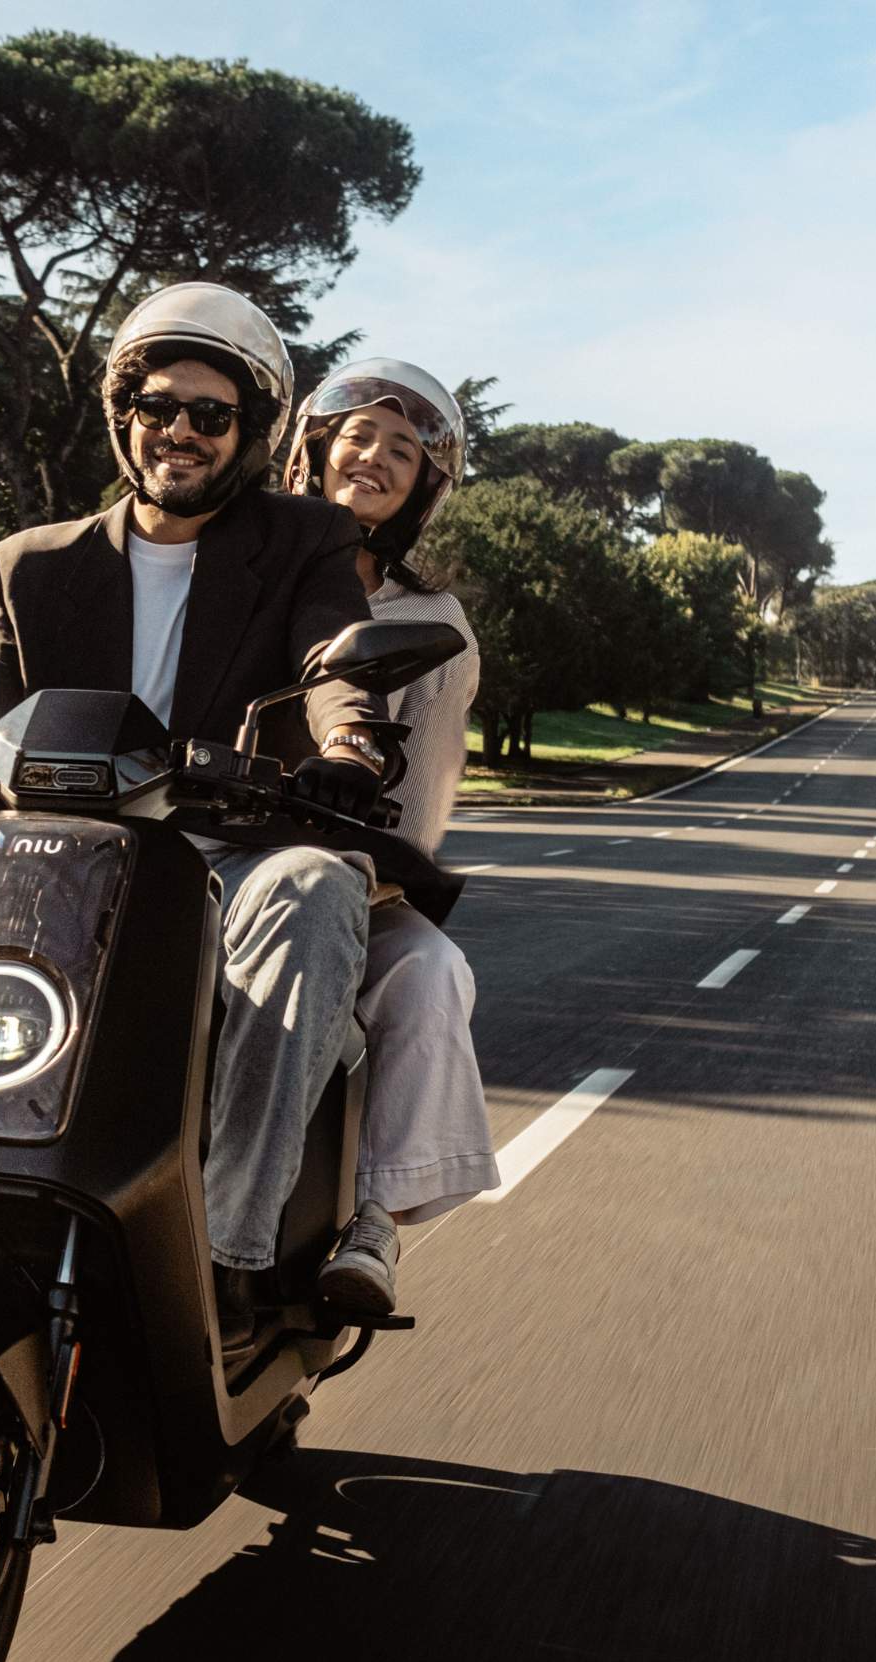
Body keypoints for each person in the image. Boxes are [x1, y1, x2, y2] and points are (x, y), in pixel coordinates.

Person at [0, 283, 395, 1347]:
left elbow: (337, 668)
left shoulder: (303, 542)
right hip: (57, 854)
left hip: (221, 849)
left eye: (207, 413)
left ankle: (227, 1255)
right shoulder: (27, 562)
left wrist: (346, 748)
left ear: (249, 433)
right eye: (154, 405)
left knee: (315, 888)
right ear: (120, 414)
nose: (176, 431)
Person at [285, 358, 501, 1318]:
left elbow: (422, 802)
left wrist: (366, 871)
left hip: (347, 872)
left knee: (429, 971)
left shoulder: (433, 620)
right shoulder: (238, 565)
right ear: (315, 445)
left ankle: (371, 1221)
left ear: (425, 486)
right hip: (189, 851)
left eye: (403, 450)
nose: (373, 457)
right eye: (359, 435)